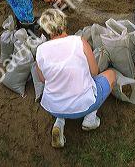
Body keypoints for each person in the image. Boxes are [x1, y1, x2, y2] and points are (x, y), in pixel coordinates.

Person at [36, 9, 116, 148]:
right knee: (111, 75)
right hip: (84, 104)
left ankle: (59, 123)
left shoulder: (41, 50)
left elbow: (43, 79)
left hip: (53, 107)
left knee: (58, 84)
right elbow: (94, 72)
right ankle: (90, 119)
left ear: (46, 30)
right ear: (64, 23)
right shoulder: (79, 41)